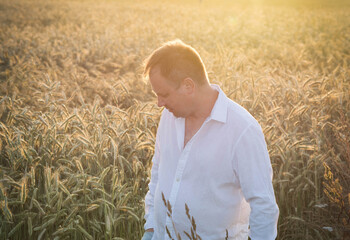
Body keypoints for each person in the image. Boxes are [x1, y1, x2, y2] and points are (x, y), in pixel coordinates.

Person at [141, 40, 279, 240]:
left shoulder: (242, 130)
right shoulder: (169, 116)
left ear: (188, 86)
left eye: (164, 94)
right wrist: (151, 228)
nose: (159, 103)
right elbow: (158, 174)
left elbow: (264, 206)